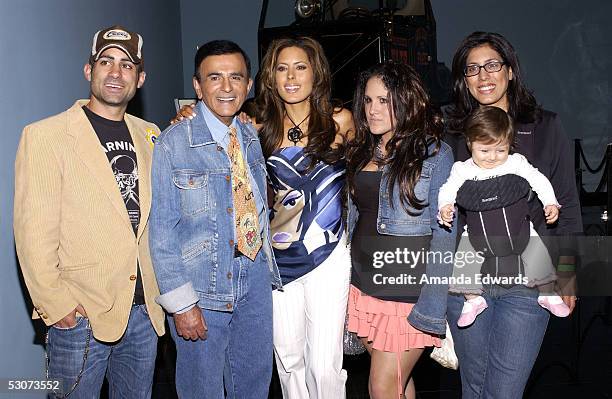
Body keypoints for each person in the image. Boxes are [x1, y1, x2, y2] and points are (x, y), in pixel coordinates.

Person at [173, 36, 355, 399]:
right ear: (269, 77)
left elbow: (369, 172)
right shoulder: (255, 123)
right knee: (288, 360)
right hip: (275, 260)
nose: (291, 77)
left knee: (324, 363)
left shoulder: (340, 120)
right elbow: (209, 133)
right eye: (281, 68)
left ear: (316, 73)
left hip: (329, 254)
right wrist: (188, 113)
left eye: (300, 67)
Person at [14, 25, 164, 398]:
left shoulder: (152, 135)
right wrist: (56, 305)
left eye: (127, 65)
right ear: (89, 70)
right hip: (80, 314)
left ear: (140, 78)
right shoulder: (46, 135)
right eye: (106, 61)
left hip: (144, 312)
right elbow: (33, 229)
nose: (116, 73)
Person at [444, 31, 582, 398]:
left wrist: (568, 274)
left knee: (503, 391)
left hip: (529, 283)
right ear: (463, 80)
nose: (483, 76)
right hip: (467, 283)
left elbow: (566, 205)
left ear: (509, 72)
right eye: (472, 69)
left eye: (492, 65)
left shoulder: (545, 127)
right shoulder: (453, 134)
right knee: (473, 387)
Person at [149, 40, 282, 398]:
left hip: (255, 278)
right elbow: (160, 232)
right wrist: (182, 304)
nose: (226, 87)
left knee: (253, 385)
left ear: (249, 85)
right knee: (201, 390)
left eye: (235, 77)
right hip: (202, 288)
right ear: (197, 86)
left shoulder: (250, 136)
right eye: (214, 78)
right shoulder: (172, 144)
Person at [345, 61, 455, 399]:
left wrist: (433, 306)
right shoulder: (363, 147)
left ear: (405, 101)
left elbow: (445, 234)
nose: (373, 110)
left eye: (383, 100)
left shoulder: (435, 153)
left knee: (382, 387)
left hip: (406, 291)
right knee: (398, 384)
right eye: (368, 100)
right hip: (363, 285)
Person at [438, 106, 570, 328]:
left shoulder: (516, 162)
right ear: (471, 145)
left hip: (519, 228)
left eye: (500, 150)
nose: (493, 157)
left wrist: (550, 202)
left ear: (509, 145)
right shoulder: (462, 169)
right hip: (477, 233)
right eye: (484, 151)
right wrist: (445, 206)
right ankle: (473, 300)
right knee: (463, 265)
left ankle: (547, 293)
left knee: (536, 251)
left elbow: (539, 179)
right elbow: (448, 188)